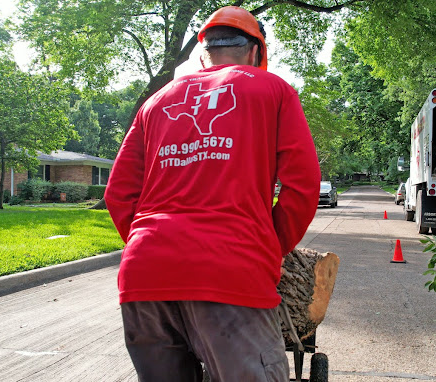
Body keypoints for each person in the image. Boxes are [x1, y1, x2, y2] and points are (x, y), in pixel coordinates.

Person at [104, 6, 321, 382]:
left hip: (145, 275)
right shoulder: (274, 91)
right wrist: (269, 245)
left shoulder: (155, 102)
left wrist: (152, 244)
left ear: (203, 53)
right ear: (256, 52)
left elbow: (119, 194)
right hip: (232, 269)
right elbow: (302, 186)